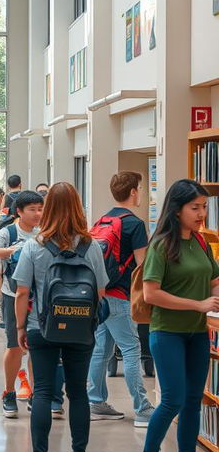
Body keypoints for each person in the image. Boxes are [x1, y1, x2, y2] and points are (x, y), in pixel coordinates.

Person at [13, 182, 107, 452]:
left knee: (42, 391)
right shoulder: (90, 246)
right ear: (78, 207)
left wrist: (19, 328)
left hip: (43, 327)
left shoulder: (34, 245)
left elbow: (22, 291)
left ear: (48, 207)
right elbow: (101, 291)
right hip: (81, 329)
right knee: (78, 392)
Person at [134, 179, 219, 452]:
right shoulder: (161, 245)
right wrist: (198, 304)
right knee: (172, 400)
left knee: (193, 402)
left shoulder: (200, 242)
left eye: (204, 207)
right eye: (195, 207)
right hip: (167, 332)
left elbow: (213, 281)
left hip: (197, 333)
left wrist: (212, 297)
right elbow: (151, 294)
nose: (201, 214)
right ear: (177, 209)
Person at [87, 171, 154, 425]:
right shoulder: (135, 224)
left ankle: (96, 402)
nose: (141, 193)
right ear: (133, 192)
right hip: (120, 296)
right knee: (131, 348)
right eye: (140, 188)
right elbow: (142, 267)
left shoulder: (103, 219)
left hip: (100, 294)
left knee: (101, 349)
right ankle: (143, 408)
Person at [0, 191, 45, 418]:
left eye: (40, 209)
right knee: (15, 346)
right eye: (32, 209)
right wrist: (13, 251)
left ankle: (35, 394)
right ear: (19, 211)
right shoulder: (9, 232)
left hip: (39, 296)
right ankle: (9, 392)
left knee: (37, 345)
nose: (38, 214)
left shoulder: (44, 233)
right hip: (13, 295)